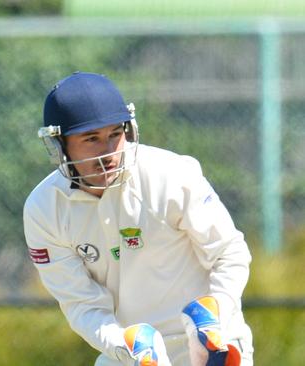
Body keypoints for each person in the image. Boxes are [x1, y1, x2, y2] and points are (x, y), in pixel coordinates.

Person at [23, 72, 253, 366]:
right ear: (59, 145)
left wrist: (216, 313)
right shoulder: (44, 209)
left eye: (115, 135)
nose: (108, 153)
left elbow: (229, 253)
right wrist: (126, 347)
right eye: (91, 139)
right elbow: (81, 304)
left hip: (215, 343)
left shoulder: (170, 175)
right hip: (132, 352)